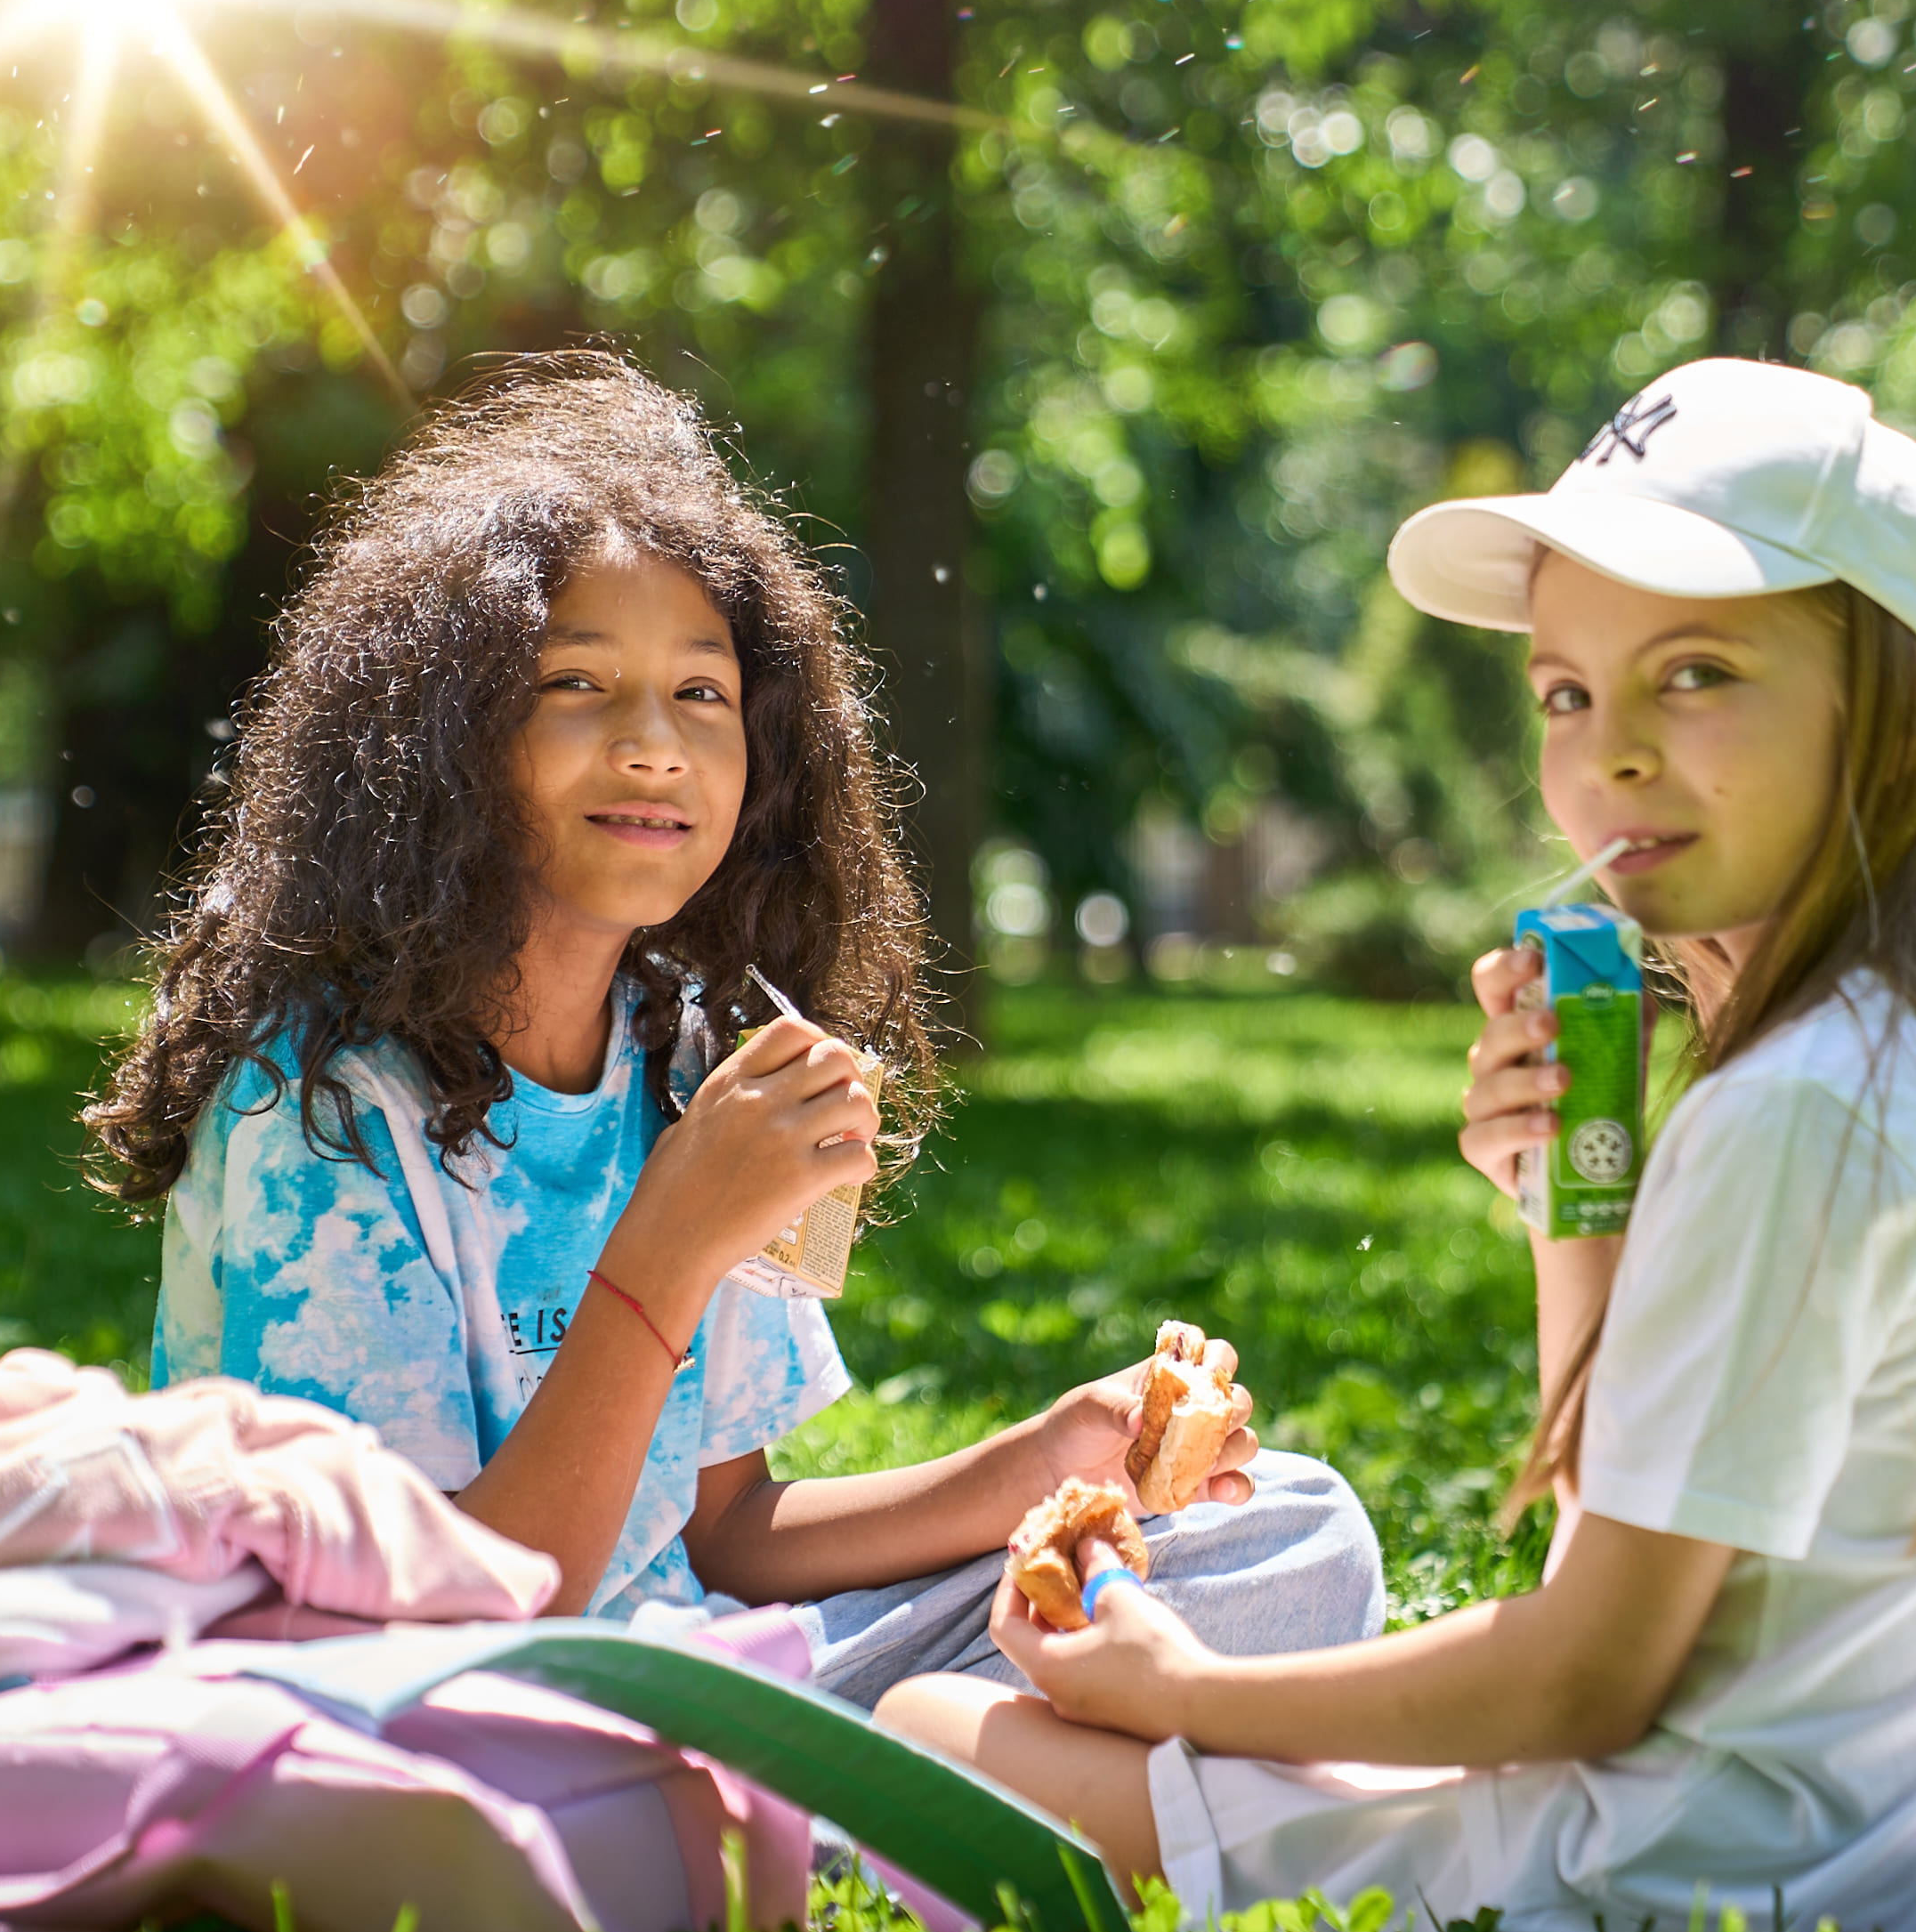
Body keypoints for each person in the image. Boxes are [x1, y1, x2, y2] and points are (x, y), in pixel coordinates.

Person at [878, 358, 1916, 1932]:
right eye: (1569, 693)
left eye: (1700, 673)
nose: (1613, 756)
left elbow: (1589, 1676)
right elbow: (1642, 1553)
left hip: (1702, 1896)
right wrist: (1570, 1212)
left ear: (1908, 710)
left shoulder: (1795, 1106)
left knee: (924, 1721)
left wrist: (1183, 1690)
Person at [84, 351, 1383, 1702]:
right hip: (456, 1694)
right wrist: (672, 1242)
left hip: (712, 1666)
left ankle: (916, 1761)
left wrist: (1054, 1457)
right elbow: (425, 1620)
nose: (653, 745)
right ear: (441, 742)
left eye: (702, 695)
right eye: (575, 683)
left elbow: (726, 1535)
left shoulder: (683, 1060)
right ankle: (952, 1766)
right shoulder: (323, 1100)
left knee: (1284, 1526)